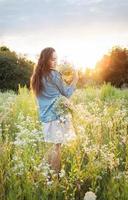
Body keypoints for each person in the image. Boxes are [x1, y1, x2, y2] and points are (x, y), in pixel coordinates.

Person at [30, 47, 79, 177]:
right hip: (57, 116)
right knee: (57, 148)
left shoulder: (36, 76)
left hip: (46, 118)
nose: (55, 62)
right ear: (45, 60)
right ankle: (55, 178)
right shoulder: (54, 74)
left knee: (55, 146)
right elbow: (67, 93)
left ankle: (40, 172)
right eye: (53, 59)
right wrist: (75, 79)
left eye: (56, 59)